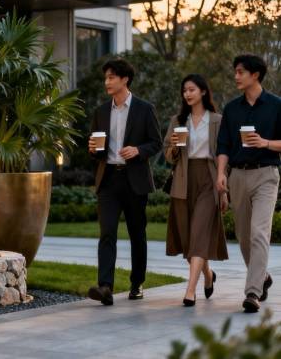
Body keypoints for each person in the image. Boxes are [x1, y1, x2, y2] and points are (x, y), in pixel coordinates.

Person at [87, 58, 162, 305]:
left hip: (134, 181)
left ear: (125, 79)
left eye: (111, 77)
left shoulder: (144, 109)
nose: (106, 82)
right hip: (108, 179)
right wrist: (93, 149)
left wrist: (138, 150)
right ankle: (105, 287)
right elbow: (97, 148)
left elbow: (156, 143)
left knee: (137, 234)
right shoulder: (100, 111)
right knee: (107, 232)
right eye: (106, 78)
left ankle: (137, 283)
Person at [216, 54, 281, 313]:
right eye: (235, 71)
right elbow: (223, 145)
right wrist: (221, 174)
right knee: (243, 237)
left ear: (255, 75)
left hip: (266, 174)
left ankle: (252, 292)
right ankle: (262, 277)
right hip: (237, 176)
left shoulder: (276, 105)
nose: (236, 76)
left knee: (259, 234)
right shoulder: (232, 109)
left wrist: (266, 143)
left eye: (240, 72)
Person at [164, 74, 229, 307]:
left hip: (209, 180)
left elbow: (224, 155)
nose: (187, 94)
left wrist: (224, 191)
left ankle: (190, 291)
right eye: (184, 91)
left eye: (191, 89)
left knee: (200, 233)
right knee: (188, 239)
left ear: (202, 91)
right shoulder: (178, 120)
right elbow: (168, 156)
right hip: (183, 180)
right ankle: (208, 275)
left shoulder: (218, 120)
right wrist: (174, 146)